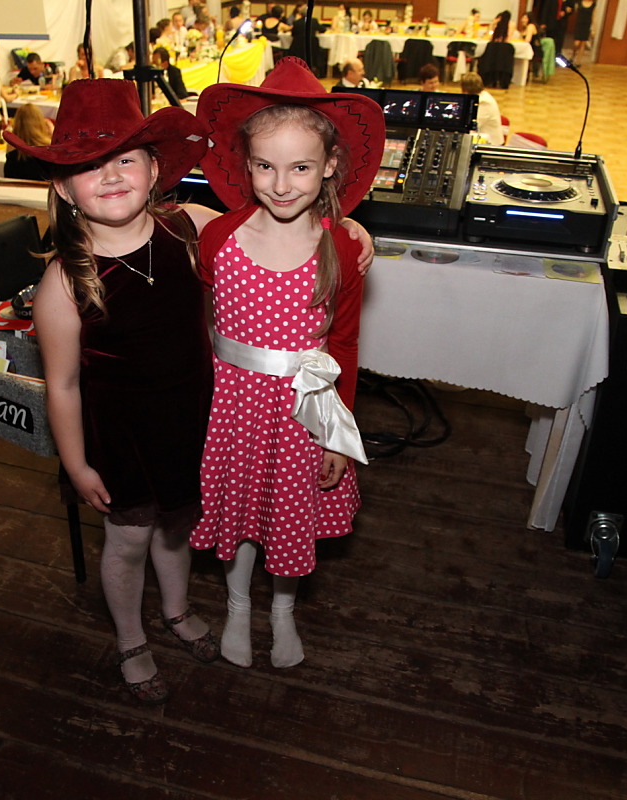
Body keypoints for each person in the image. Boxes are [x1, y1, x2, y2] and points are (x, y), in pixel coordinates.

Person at [3, 79, 221, 705]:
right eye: (88, 165)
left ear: (154, 168)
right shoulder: (64, 281)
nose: (111, 175)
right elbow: (63, 384)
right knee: (128, 541)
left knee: (178, 524)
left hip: (190, 420)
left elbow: (270, 232)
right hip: (121, 437)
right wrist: (76, 464)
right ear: (63, 188)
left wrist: (347, 230)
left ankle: (176, 609)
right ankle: (129, 636)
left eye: (125, 158)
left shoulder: (191, 227)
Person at [191, 58, 385, 669]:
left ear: (329, 165)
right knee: (239, 513)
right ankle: (237, 606)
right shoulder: (219, 239)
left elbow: (343, 346)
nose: (280, 184)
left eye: (300, 167)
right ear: (245, 164)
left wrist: (337, 436)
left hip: (302, 413)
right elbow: (202, 327)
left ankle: (282, 610)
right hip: (233, 409)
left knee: (287, 515)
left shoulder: (342, 246)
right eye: (265, 166)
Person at [4, 103, 52, 181]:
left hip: (16, 188)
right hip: (42, 188)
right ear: (40, 123)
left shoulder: (12, 153)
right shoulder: (49, 152)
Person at [461, 72, 505, 145]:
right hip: (481, 140)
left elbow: (472, 127)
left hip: (491, 145)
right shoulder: (479, 96)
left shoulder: (484, 102)